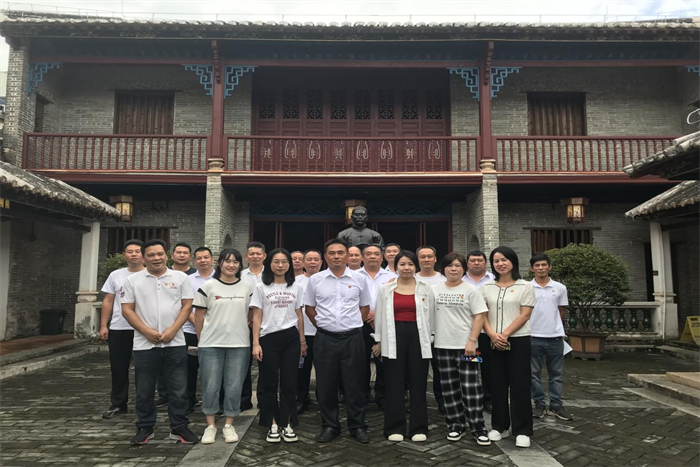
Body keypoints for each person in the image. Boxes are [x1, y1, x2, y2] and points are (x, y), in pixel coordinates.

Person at [121, 239, 198, 445]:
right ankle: (145, 427)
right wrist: (147, 332)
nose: (156, 258)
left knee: (178, 389)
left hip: (175, 342)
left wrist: (173, 330)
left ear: (166, 255)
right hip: (145, 344)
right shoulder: (133, 280)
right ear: (144, 258)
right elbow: (127, 309)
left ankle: (179, 427)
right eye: (151, 255)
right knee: (144, 390)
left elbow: (187, 306)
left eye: (160, 254)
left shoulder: (180, 278)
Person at [305, 238, 371, 444]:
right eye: (331, 253)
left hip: (353, 339)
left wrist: (352, 324)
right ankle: (330, 425)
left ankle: (357, 426)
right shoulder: (315, 280)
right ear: (325, 257)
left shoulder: (359, 279)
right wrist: (323, 325)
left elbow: (365, 307)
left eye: (340, 253)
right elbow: (309, 308)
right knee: (325, 385)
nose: (336, 256)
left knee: (355, 384)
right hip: (325, 339)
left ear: (348, 256)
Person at [372, 250, 435, 442]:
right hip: (393, 336)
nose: (406, 268)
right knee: (394, 383)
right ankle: (394, 427)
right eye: (402, 264)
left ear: (416, 266)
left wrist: (431, 338)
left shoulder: (426, 289)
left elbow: (431, 317)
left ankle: (418, 428)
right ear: (396, 267)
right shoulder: (386, 289)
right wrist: (378, 341)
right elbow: (379, 316)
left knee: (418, 383)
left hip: (418, 337)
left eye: (410, 264)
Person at [194, 249, 253, 445]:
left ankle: (229, 424)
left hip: (239, 344)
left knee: (234, 386)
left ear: (240, 265)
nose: (231, 265)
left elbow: (252, 314)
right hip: (211, 344)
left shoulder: (247, 287)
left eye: (235, 262)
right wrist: (202, 339)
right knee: (210, 385)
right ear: (220, 263)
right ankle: (210, 425)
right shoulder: (208, 286)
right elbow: (199, 317)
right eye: (227, 261)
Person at [433, 253, 490, 446]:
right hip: (442, 346)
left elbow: (480, 316)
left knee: (471, 388)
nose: (453, 269)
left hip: (468, 348)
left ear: (464, 269)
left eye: (458, 265)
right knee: (449, 389)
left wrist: (472, 341)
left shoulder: (471, 290)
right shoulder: (434, 290)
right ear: (443, 269)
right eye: (450, 266)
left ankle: (478, 428)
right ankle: (455, 425)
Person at [482, 246, 536, 448]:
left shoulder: (525, 286)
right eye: (496, 261)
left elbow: (525, 314)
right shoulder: (487, 287)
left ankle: (522, 430)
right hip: (492, 340)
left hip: (518, 340)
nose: (500, 264)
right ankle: (499, 426)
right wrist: (492, 335)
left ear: (513, 261)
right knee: (497, 383)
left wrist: (504, 335)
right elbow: (481, 314)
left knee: (520, 384)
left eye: (504, 259)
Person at [251, 248, 307, 443]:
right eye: (276, 261)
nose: (280, 265)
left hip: (291, 338)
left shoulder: (296, 287)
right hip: (268, 337)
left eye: (284, 261)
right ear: (269, 264)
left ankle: (287, 422)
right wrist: (256, 343)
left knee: (289, 383)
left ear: (289, 265)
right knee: (269, 383)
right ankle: (272, 423)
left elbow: (299, 315)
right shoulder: (261, 287)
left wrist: (302, 340)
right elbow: (256, 316)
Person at [99, 239, 145, 419]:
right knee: (118, 367)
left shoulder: (150, 274)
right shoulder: (116, 275)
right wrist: (104, 325)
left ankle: (144, 404)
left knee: (144, 368)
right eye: (130, 251)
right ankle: (118, 404)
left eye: (137, 251)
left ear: (143, 254)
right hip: (119, 326)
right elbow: (108, 301)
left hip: (144, 328)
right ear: (124, 255)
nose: (134, 254)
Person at [529, 253, 573, 421]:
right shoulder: (526, 287)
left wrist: (554, 327)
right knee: (533, 373)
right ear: (532, 269)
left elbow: (561, 311)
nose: (541, 268)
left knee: (556, 374)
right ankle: (539, 403)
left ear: (550, 267)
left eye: (544, 265)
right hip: (533, 336)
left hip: (555, 337)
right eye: (537, 265)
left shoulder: (560, 288)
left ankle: (556, 405)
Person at [156, 242, 197, 407]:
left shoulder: (194, 275)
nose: (182, 255)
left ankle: (188, 398)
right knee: (163, 362)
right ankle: (165, 395)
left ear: (190, 256)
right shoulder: (163, 274)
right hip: (167, 326)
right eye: (178, 252)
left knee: (187, 365)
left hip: (190, 327)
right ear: (171, 255)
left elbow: (188, 303)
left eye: (185, 252)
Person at [356, 244, 394, 410]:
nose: (372, 257)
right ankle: (362, 396)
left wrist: (377, 314)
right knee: (360, 361)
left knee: (384, 362)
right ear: (362, 257)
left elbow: (395, 300)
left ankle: (383, 396)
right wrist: (365, 315)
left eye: (376, 254)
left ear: (382, 257)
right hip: (360, 323)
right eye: (369, 254)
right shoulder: (353, 276)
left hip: (385, 323)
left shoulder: (392, 277)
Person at [181, 246, 215, 413]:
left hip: (215, 331)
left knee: (213, 368)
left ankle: (214, 401)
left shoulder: (220, 278)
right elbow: (183, 305)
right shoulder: (187, 280)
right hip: (190, 329)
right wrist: (197, 322)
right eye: (199, 258)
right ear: (194, 261)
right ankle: (189, 400)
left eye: (206, 257)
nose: (203, 260)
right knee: (189, 368)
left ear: (212, 259)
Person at [414, 245, 446, 415]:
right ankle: (417, 402)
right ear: (418, 260)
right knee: (417, 370)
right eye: (422, 257)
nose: (426, 259)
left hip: (440, 331)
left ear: (435, 259)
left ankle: (442, 401)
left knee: (440, 369)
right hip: (416, 332)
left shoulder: (444, 279)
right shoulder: (410, 279)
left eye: (429, 256)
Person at [464, 251, 496, 414]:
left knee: (488, 367)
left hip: (487, 333)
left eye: (480, 260)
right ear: (467, 263)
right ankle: (471, 399)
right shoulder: (461, 280)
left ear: (485, 262)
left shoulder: (494, 280)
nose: (476, 263)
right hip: (467, 334)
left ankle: (489, 399)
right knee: (470, 366)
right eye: (472, 260)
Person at [240, 241, 267, 411]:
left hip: (265, 326)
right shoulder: (240, 275)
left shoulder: (270, 275)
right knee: (243, 363)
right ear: (246, 256)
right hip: (243, 325)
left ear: (264, 256)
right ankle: (244, 400)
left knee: (266, 364)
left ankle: (264, 400)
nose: (255, 256)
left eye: (258, 253)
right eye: (252, 253)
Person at [296, 249, 323, 414]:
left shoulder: (326, 279)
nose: (313, 262)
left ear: (321, 262)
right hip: (303, 333)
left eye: (316, 259)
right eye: (309, 259)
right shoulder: (295, 282)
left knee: (324, 369)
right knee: (301, 369)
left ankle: (323, 399)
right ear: (303, 262)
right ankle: (301, 398)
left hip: (323, 332)